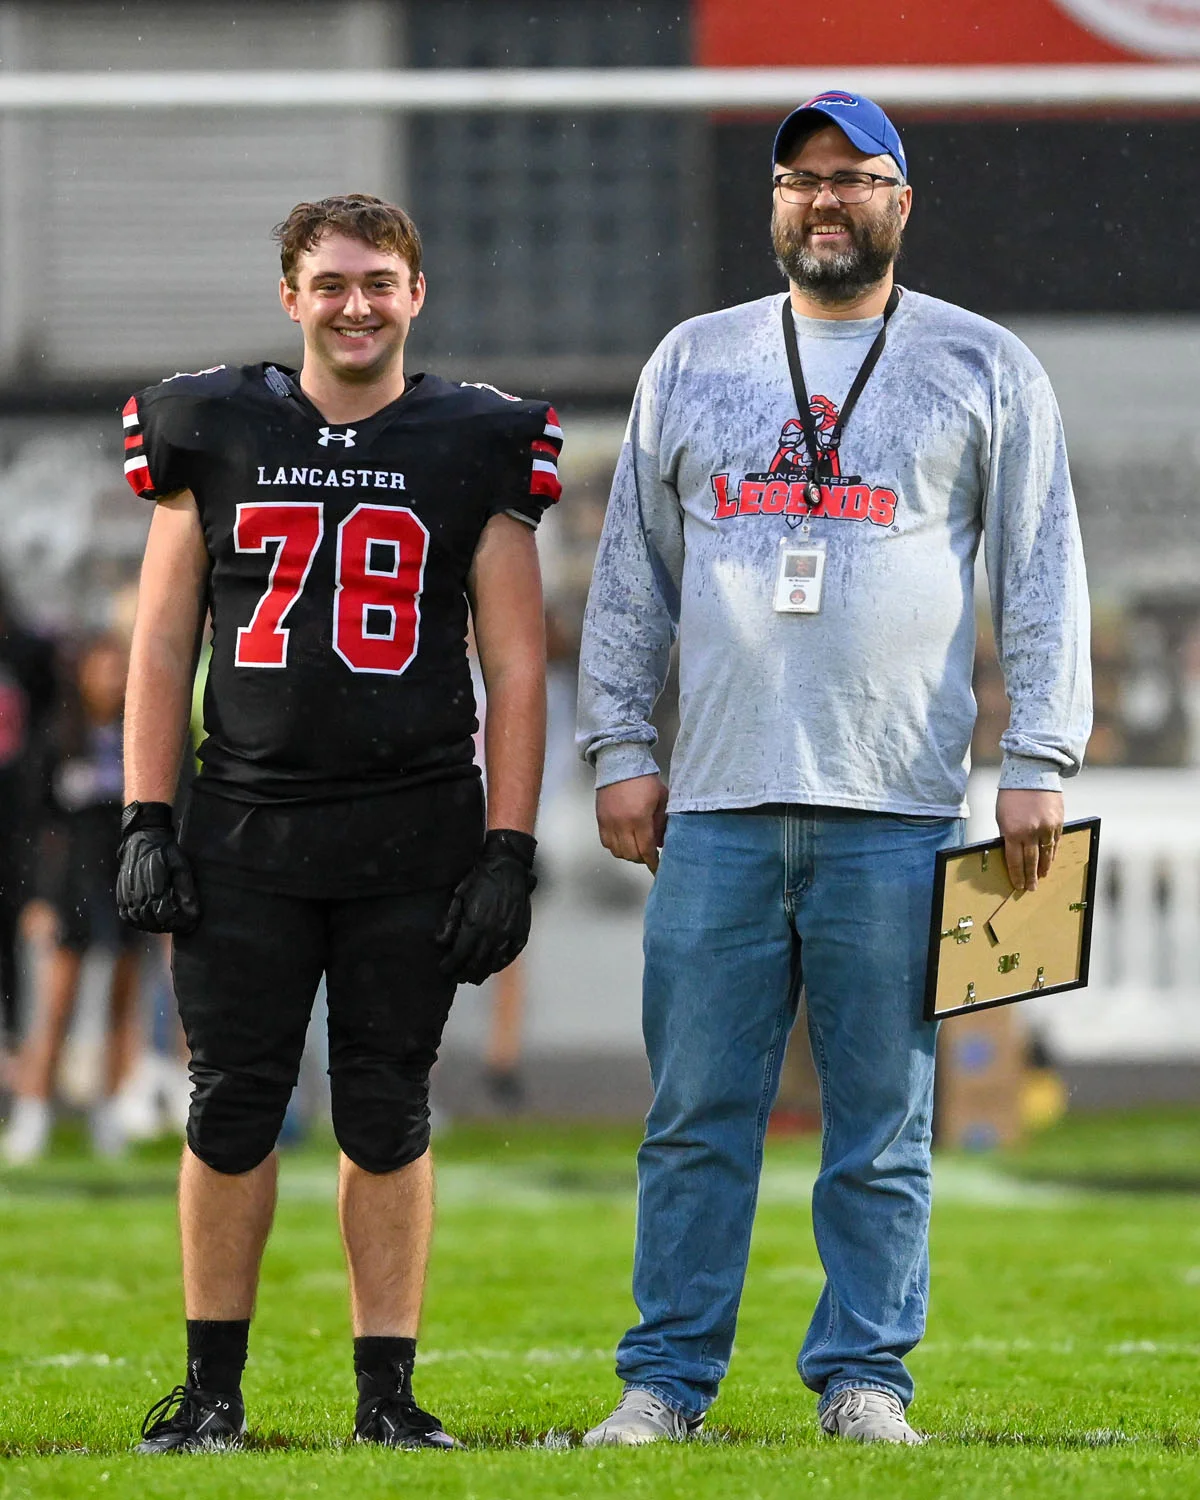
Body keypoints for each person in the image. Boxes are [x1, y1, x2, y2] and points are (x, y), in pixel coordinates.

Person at [576, 92, 1090, 1446]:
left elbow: (1041, 573)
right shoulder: (692, 361)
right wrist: (621, 744)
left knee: (884, 1122)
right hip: (720, 807)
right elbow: (630, 571)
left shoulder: (984, 365)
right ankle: (664, 1385)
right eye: (801, 177)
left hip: (899, 810)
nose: (825, 200)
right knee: (694, 1117)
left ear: (901, 202)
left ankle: (866, 1380)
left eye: (854, 177)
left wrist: (1038, 754)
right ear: (773, 202)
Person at [118, 194, 559, 1453]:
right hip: (245, 828)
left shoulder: (475, 437)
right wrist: (148, 814)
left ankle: (387, 1398)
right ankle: (209, 1396)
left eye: (378, 282)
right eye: (330, 283)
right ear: (290, 298)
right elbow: (158, 638)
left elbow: (514, 667)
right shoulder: (215, 423)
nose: (355, 305)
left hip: (411, 834)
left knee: (386, 1109)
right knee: (231, 1105)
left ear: (417, 294)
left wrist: (510, 848)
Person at [1, 633, 143, 1163]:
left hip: (126, 879)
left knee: (121, 1003)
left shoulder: (142, 737)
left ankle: (107, 1111)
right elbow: (32, 828)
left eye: (119, 668)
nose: (111, 678)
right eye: (102, 667)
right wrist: (37, 898)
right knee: (55, 1004)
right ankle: (34, 1113)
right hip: (69, 885)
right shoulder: (57, 738)